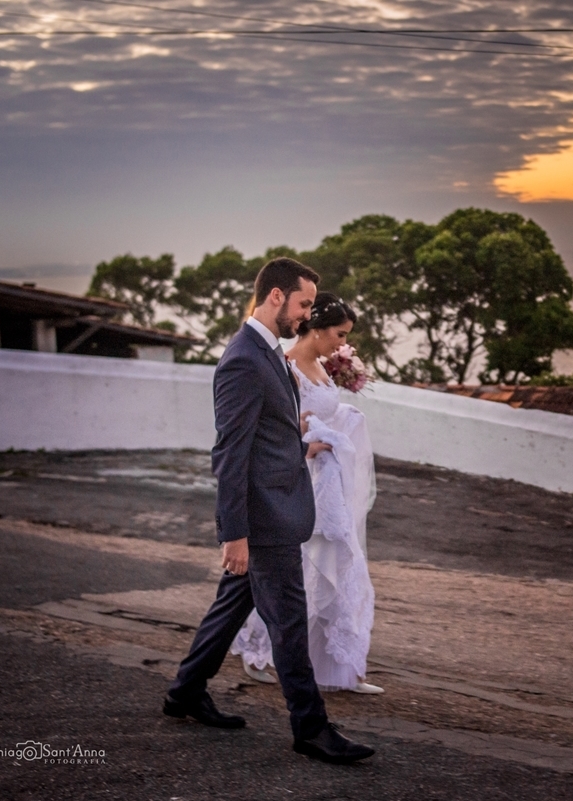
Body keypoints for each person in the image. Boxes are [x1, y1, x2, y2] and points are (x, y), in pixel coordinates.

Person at [163, 258, 375, 765]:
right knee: (289, 624)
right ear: (276, 296)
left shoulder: (268, 353)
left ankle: (185, 692)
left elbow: (264, 435)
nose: (307, 315)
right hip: (265, 517)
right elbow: (230, 452)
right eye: (303, 304)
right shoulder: (242, 358)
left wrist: (295, 432)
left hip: (278, 506)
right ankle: (311, 728)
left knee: (232, 606)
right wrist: (233, 533)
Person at [231, 292, 383, 695]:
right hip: (302, 479)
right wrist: (310, 437)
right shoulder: (284, 368)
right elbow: (278, 429)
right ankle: (259, 652)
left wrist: (342, 418)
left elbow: (323, 412)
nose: (342, 344)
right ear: (316, 327)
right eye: (339, 334)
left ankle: (338, 667)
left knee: (338, 562)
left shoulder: (321, 365)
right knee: (295, 568)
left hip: (330, 480)